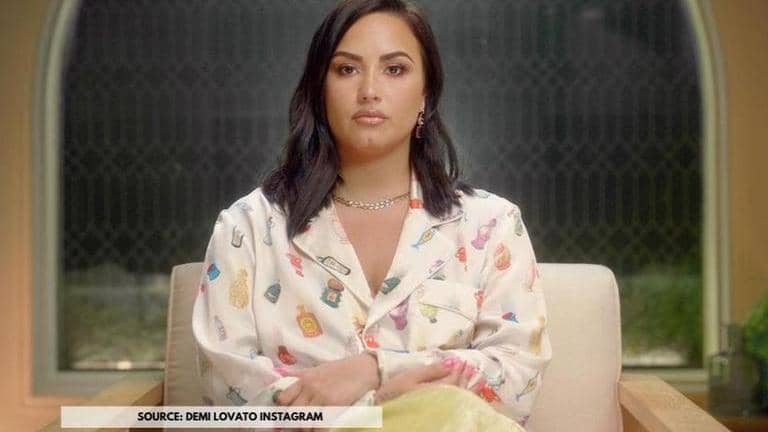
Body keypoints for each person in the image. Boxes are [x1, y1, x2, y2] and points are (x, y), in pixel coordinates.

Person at [191, 0, 551, 429]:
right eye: (347, 69)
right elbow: (227, 391)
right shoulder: (248, 227)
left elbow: (517, 381)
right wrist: (373, 411)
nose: (369, 90)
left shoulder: (491, 225)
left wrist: (376, 368)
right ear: (319, 90)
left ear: (426, 95)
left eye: (395, 69)